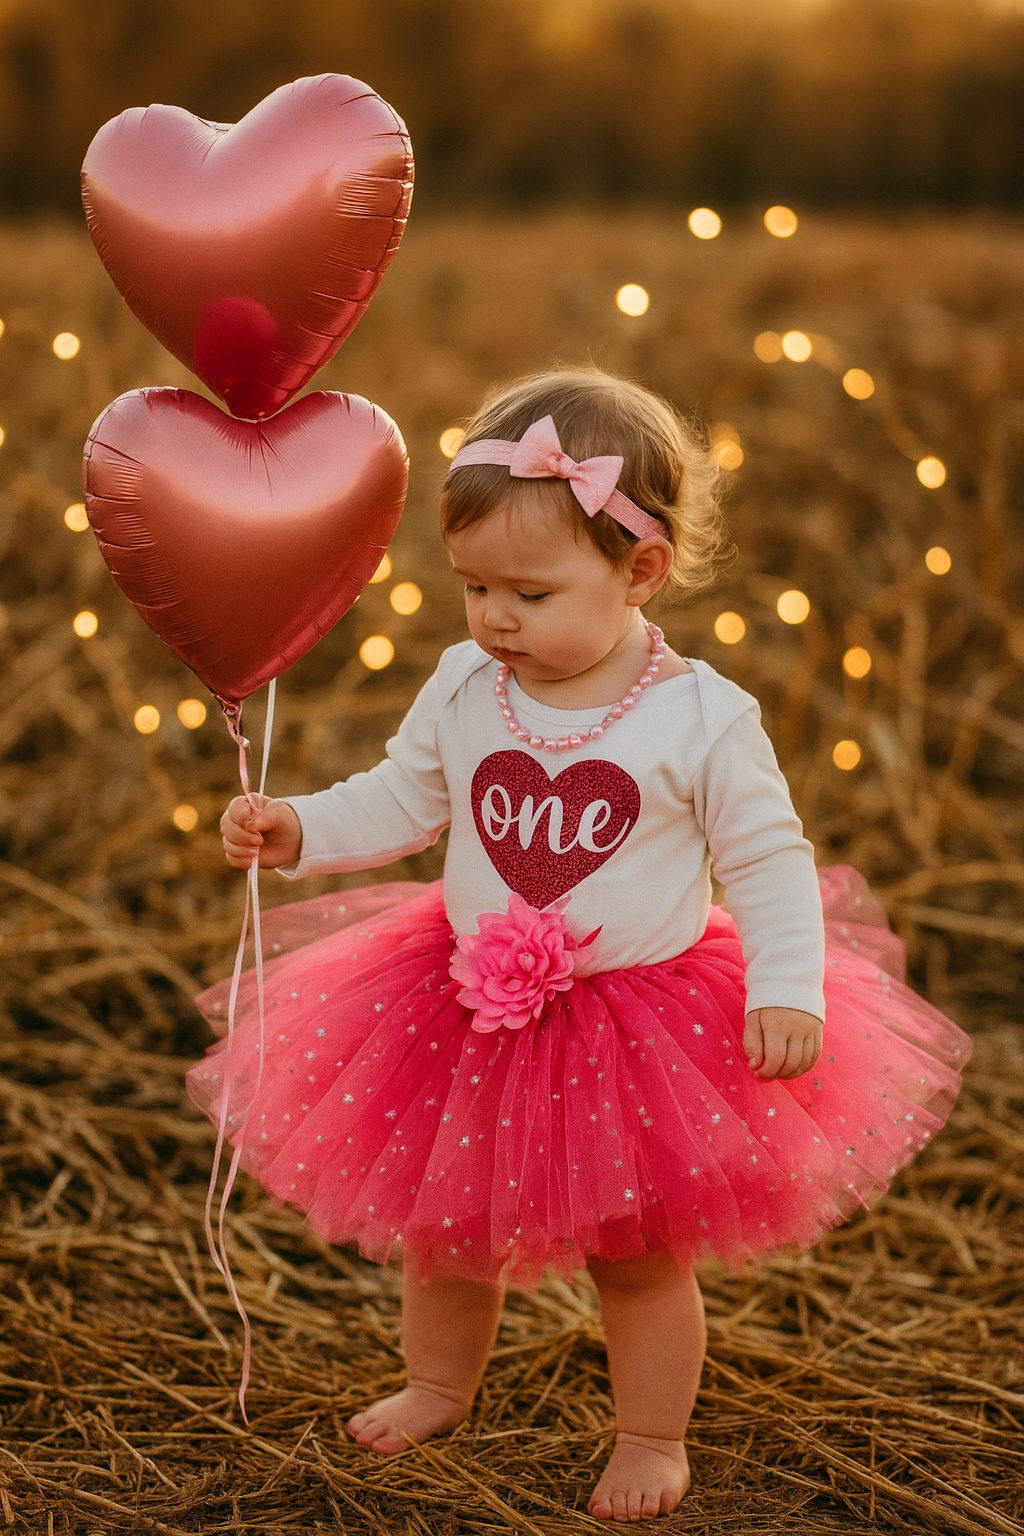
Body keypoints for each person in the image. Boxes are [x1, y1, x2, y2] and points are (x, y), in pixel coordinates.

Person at [190, 369, 970, 1523]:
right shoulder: (466, 682)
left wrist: (787, 982)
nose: (495, 617)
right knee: (443, 1228)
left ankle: (651, 1435)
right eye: (473, 587)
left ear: (638, 571)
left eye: (531, 592)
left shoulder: (702, 718)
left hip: (635, 1022)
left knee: (638, 1254)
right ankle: (435, 1382)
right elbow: (404, 798)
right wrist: (300, 826)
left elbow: (765, 859)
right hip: (460, 1005)